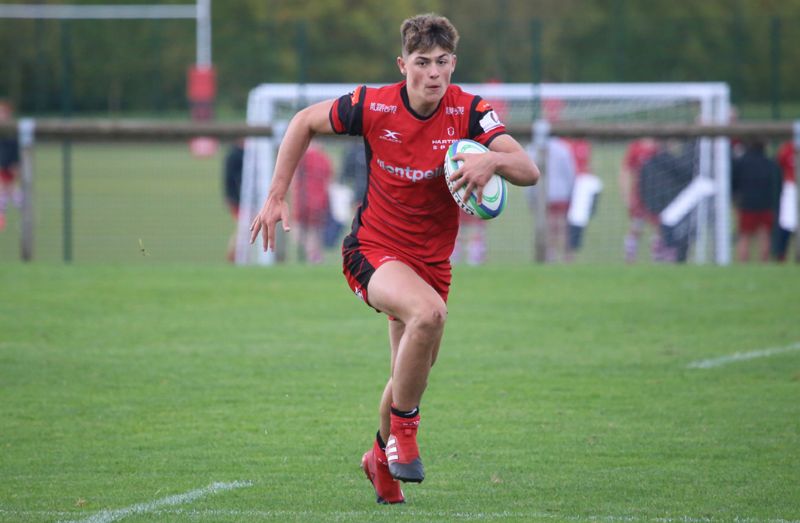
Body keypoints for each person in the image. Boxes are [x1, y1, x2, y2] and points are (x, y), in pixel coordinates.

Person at [249, 13, 539, 504]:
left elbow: (527, 170)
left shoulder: (469, 112)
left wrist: (491, 159)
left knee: (410, 375)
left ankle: (378, 462)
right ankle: (405, 439)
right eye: (422, 62)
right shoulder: (372, 104)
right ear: (402, 64)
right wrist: (277, 194)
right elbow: (303, 121)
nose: (433, 73)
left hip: (432, 265)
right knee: (428, 315)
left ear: (453, 63)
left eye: (442, 62)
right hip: (373, 250)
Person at [527, 136, 576, 262]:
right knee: (561, 228)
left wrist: (530, 199)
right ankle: (564, 258)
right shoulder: (563, 148)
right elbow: (570, 173)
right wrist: (571, 192)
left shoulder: (531, 149)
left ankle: (553, 257)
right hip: (561, 194)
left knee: (550, 228)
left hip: (548, 196)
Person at [732, 140, 781, 263]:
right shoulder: (770, 163)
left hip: (746, 204)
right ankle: (763, 263)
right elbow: (776, 184)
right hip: (766, 204)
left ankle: (743, 264)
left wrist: (736, 199)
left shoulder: (741, 162)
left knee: (744, 235)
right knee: (764, 235)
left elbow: (734, 183)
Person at [620, 137, 661, 262]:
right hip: (639, 193)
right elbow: (626, 170)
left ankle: (658, 258)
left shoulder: (659, 146)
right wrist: (626, 193)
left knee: (659, 227)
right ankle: (630, 257)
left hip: (657, 193)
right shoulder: (635, 147)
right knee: (636, 225)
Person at [291, 142, 333, 264]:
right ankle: (314, 254)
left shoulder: (302, 157)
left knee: (302, 230)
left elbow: (293, 179)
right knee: (313, 231)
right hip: (318, 200)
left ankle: (313, 254)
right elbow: (330, 179)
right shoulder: (324, 158)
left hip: (303, 199)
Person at [0, 100, 21, 232]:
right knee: (5, 191)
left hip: (8, 165)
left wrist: (16, 165)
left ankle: (26, 215)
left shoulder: (11, 131)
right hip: (2, 165)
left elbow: (15, 148)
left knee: (9, 190)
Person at [774, 140, 796, 262]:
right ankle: (781, 256)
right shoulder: (788, 148)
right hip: (791, 187)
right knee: (787, 223)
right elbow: (780, 161)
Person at [222, 140, 245, 262]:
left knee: (244, 229)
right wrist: (231, 198)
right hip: (238, 201)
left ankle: (236, 256)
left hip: (241, 200)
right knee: (244, 229)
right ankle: (233, 256)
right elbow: (230, 181)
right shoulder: (234, 155)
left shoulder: (243, 153)